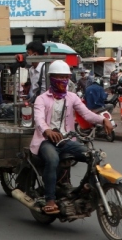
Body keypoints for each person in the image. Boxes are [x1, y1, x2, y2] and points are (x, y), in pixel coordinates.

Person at [31, 60, 113, 215]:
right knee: (52, 160)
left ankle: (86, 188)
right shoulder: (41, 99)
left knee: (92, 156)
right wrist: (47, 130)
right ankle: (50, 199)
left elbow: (86, 114)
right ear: (52, 78)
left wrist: (103, 120)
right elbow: (39, 119)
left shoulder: (72, 97)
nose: (63, 80)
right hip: (46, 141)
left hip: (66, 140)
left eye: (65, 77)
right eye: (59, 77)